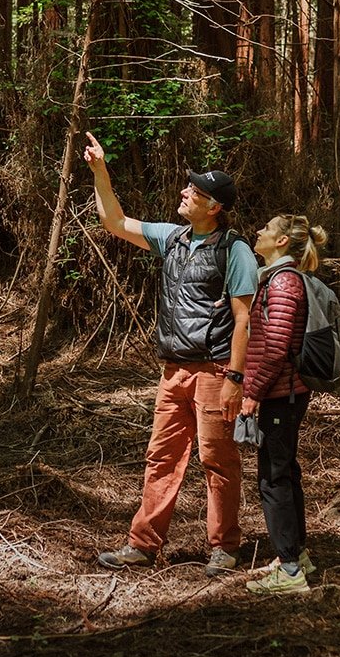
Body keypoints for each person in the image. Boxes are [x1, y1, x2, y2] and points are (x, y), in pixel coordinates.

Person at [83, 132, 259, 577]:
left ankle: (224, 548)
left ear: (214, 206)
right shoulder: (172, 239)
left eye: (195, 191)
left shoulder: (234, 250)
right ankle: (142, 546)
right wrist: (100, 170)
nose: (185, 193)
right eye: (188, 187)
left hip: (216, 372)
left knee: (217, 461)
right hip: (173, 371)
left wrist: (237, 380)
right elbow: (116, 223)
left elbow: (244, 320)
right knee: (161, 456)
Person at [239, 213, 328, 594]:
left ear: (279, 242)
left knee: (273, 478)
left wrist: (251, 393)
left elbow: (275, 349)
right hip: (283, 392)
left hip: (280, 394)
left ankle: (290, 571)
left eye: (266, 228)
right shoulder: (277, 279)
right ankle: (296, 555)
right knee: (285, 472)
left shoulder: (284, 283)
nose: (258, 231)